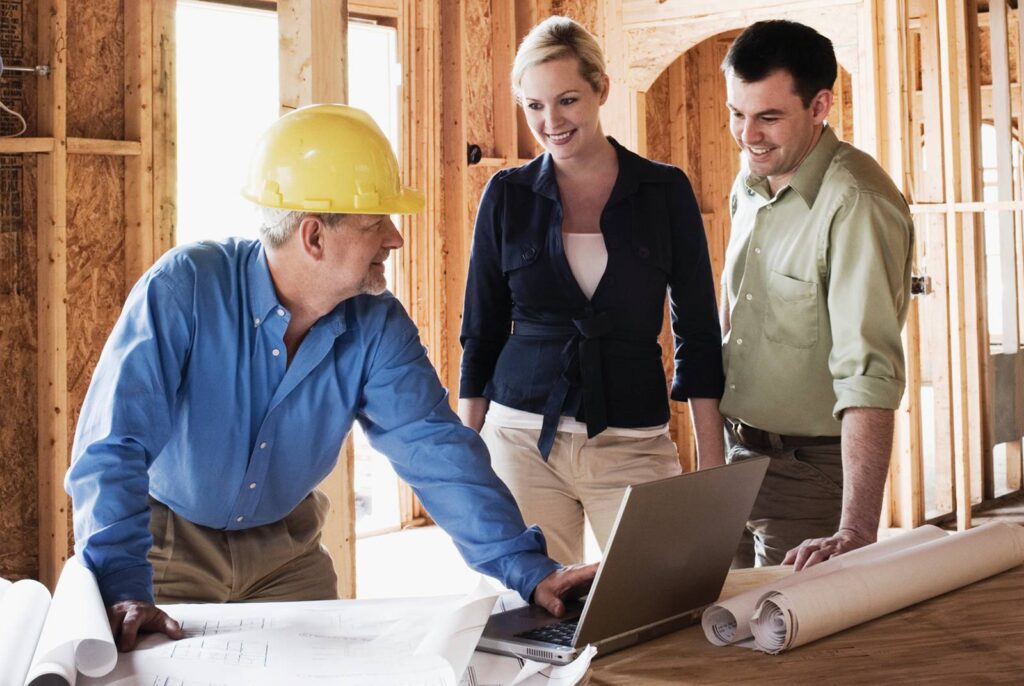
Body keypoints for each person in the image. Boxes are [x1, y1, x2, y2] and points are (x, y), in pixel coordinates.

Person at [65, 104, 595, 652]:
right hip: (166, 548)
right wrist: (121, 584)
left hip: (286, 556)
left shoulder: (376, 323)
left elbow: (435, 449)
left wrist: (527, 568)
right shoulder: (184, 290)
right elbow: (113, 445)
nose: (395, 239)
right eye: (376, 224)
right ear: (314, 236)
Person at [458, 16, 725, 567]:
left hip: (632, 440)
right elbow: (480, 330)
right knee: (527, 617)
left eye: (568, 100)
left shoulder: (664, 190)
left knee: (659, 597)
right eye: (534, 106)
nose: (551, 121)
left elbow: (697, 328)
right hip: (519, 441)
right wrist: (466, 457)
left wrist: (713, 464)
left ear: (601, 89)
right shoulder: (505, 196)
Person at [719, 20, 914, 570]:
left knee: (785, 643)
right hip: (733, 461)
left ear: (820, 105)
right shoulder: (750, 177)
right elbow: (733, 306)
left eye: (769, 117)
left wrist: (855, 530)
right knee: (710, 638)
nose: (748, 135)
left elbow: (867, 373)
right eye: (738, 113)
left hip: (808, 473)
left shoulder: (857, 202)